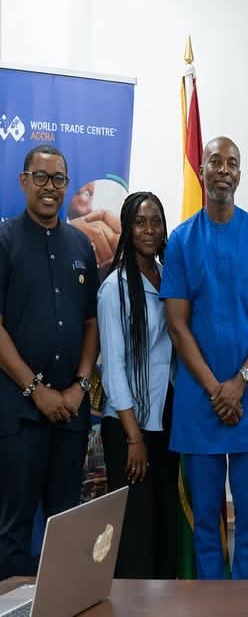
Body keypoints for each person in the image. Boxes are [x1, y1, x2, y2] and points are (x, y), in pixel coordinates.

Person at [161, 136, 248, 580]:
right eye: (215, 161)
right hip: (200, 403)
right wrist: (217, 389)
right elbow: (177, 325)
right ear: (202, 171)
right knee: (206, 525)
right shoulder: (181, 240)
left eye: (232, 163)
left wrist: (240, 381)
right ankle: (210, 605)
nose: (223, 169)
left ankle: (246, 604)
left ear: (239, 174)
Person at [0, 145, 100, 580]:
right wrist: (35, 390)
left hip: (71, 416)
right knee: (14, 526)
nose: (50, 187)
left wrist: (80, 386)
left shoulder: (81, 244)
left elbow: (91, 323)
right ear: (23, 181)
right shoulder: (5, 240)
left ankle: (62, 605)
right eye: (40, 177)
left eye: (58, 179)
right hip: (20, 414)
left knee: (67, 526)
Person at [97, 191, 177, 579]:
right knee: (137, 534)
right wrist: (134, 438)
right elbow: (113, 369)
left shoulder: (170, 278)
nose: (149, 230)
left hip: (166, 421)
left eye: (156, 222)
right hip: (129, 428)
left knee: (164, 527)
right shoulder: (114, 288)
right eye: (140, 222)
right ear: (128, 230)